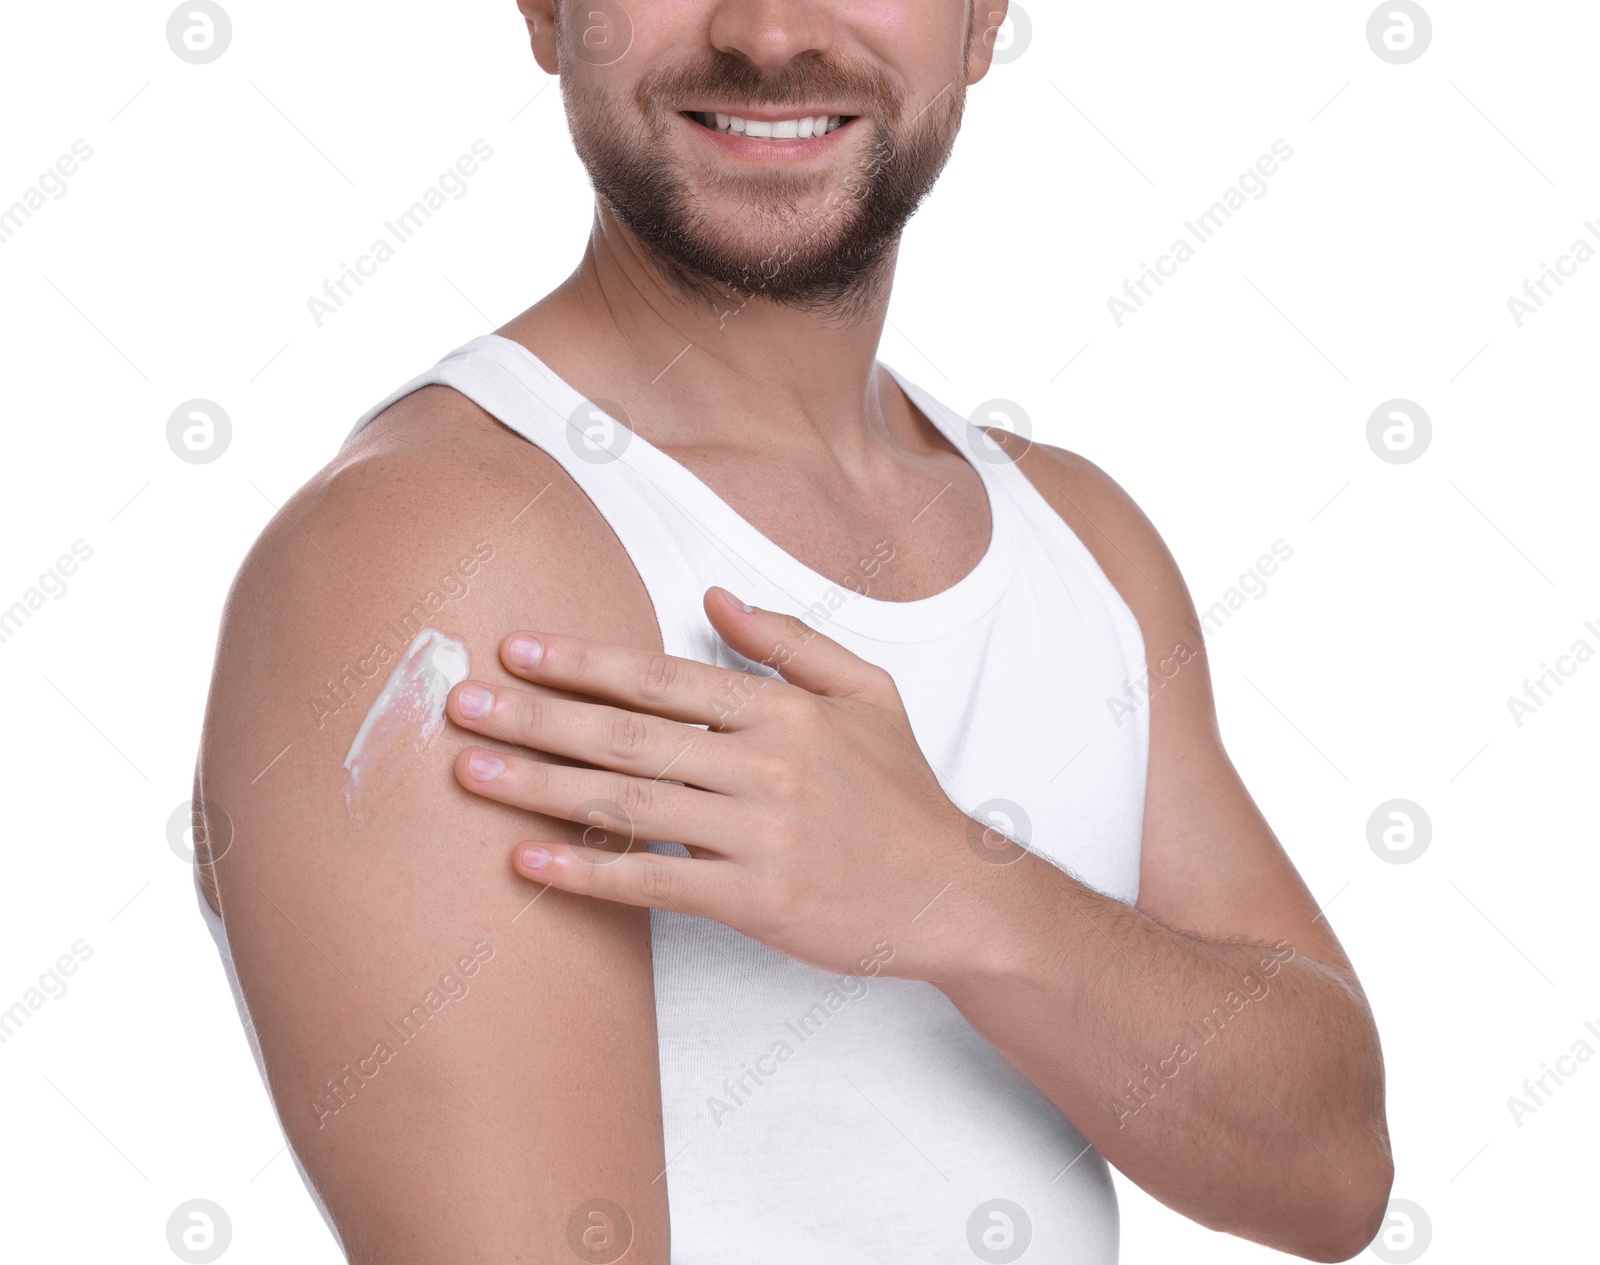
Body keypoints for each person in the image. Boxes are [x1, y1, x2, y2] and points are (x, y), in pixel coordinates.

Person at [194, 2, 1393, 1260]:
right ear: (549, 12)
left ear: (981, 21)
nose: (767, 35)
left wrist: (958, 896)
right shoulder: (439, 554)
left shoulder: (1080, 538)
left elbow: (1329, 1176)